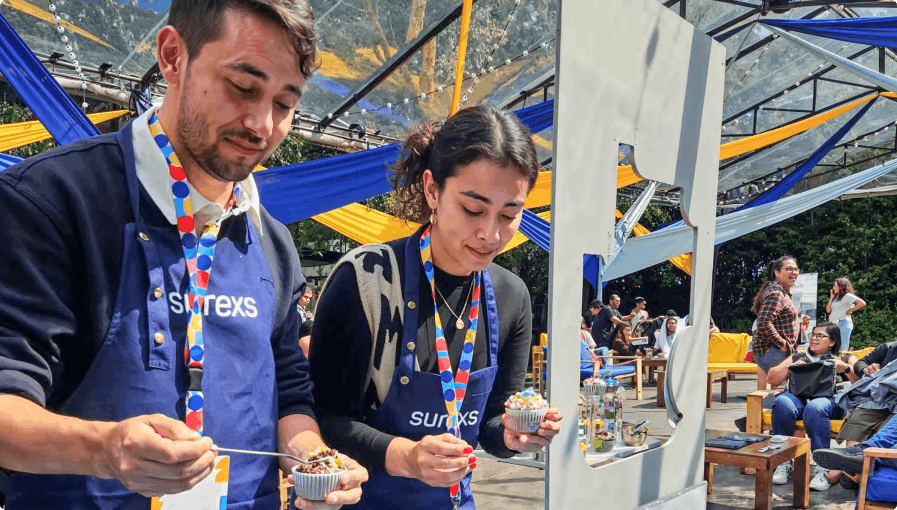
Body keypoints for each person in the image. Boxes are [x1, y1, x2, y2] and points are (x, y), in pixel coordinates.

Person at [0, 1, 369, 508]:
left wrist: (311, 456)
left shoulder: (270, 239)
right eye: (243, 87)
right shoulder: (53, 200)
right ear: (172, 56)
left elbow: (288, 390)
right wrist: (103, 450)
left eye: (285, 104)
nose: (262, 125)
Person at [307, 106, 564, 509]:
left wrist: (515, 436)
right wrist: (406, 457)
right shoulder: (367, 280)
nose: (490, 234)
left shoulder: (511, 295)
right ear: (432, 190)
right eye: (473, 209)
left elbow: (491, 424)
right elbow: (324, 419)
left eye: (510, 214)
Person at [767, 323, 857, 491]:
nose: (814, 338)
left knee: (815, 407)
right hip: (800, 400)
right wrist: (789, 367)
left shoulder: (844, 358)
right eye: (812, 335)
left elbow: (860, 382)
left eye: (819, 335)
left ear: (832, 342)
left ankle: (823, 467)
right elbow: (771, 379)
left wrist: (846, 369)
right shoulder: (798, 357)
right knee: (782, 402)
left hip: (830, 402)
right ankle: (784, 462)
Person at [751, 256, 807, 390]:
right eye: (789, 269)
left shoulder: (781, 291)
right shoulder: (776, 293)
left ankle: (764, 409)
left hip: (770, 350)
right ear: (777, 272)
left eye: (796, 269)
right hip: (774, 351)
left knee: (767, 392)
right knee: (805, 370)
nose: (794, 272)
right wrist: (782, 344)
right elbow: (764, 322)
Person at [825, 277, 866, 353]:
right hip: (834, 324)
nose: (833, 287)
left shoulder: (847, 296)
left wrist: (850, 310)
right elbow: (828, 310)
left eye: (835, 285)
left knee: (842, 347)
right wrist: (831, 297)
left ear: (841, 286)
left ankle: (843, 361)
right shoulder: (836, 298)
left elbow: (862, 303)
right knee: (834, 346)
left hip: (843, 322)